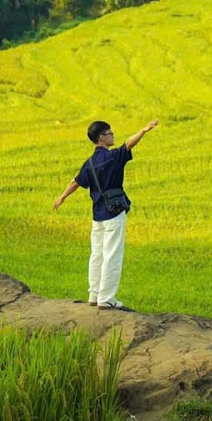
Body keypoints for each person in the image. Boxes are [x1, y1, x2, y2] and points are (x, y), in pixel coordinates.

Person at [53, 119, 158, 309]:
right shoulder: (112, 158)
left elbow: (75, 182)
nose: (113, 135)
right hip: (114, 213)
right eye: (110, 133)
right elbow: (128, 144)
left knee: (97, 255)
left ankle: (94, 295)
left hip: (97, 216)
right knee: (112, 255)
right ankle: (107, 298)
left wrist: (62, 197)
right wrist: (143, 131)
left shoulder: (89, 163)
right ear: (102, 137)